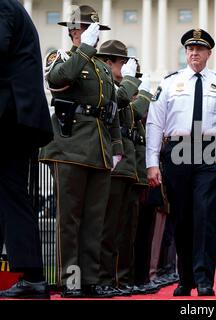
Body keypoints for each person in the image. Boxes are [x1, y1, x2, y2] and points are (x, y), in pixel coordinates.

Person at [38, 5, 123, 298]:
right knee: (69, 221)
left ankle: (90, 280)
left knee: (94, 221)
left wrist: (117, 148)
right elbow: (58, 80)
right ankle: (71, 281)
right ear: (74, 31)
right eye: (86, 28)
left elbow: (110, 111)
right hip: (70, 145)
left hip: (98, 149)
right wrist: (85, 48)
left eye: (94, 30)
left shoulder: (101, 67)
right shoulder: (62, 57)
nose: (94, 35)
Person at [146, 28, 216, 296]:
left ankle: (204, 279)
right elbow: (155, 123)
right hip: (177, 151)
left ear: (208, 53)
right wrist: (152, 162)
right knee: (181, 217)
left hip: (208, 152)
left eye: (200, 49)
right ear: (185, 52)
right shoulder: (170, 82)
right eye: (190, 49)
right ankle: (185, 278)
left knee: (205, 215)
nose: (194, 53)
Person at [0, 0, 53, 299]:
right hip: (17, 117)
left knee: (13, 195)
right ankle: (32, 275)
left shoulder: (3, 6)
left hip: (10, 117)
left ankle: (33, 276)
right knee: (11, 194)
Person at [95, 40, 152, 296]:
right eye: (121, 63)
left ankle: (121, 278)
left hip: (128, 166)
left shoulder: (120, 89)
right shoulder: (111, 89)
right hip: (115, 165)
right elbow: (124, 113)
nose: (125, 69)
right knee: (111, 229)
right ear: (109, 63)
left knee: (125, 229)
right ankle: (108, 278)